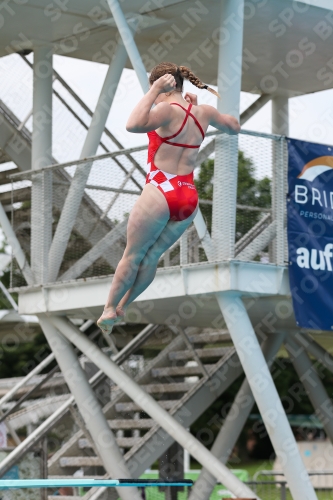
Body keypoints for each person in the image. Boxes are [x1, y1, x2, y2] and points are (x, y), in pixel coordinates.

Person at [97, 62, 240, 334]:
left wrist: (153, 92)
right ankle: (125, 306)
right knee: (152, 258)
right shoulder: (204, 113)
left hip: (160, 190)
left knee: (133, 255)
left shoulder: (165, 109)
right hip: (188, 196)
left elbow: (133, 124)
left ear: (163, 84)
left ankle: (108, 309)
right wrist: (199, 107)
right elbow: (234, 126)